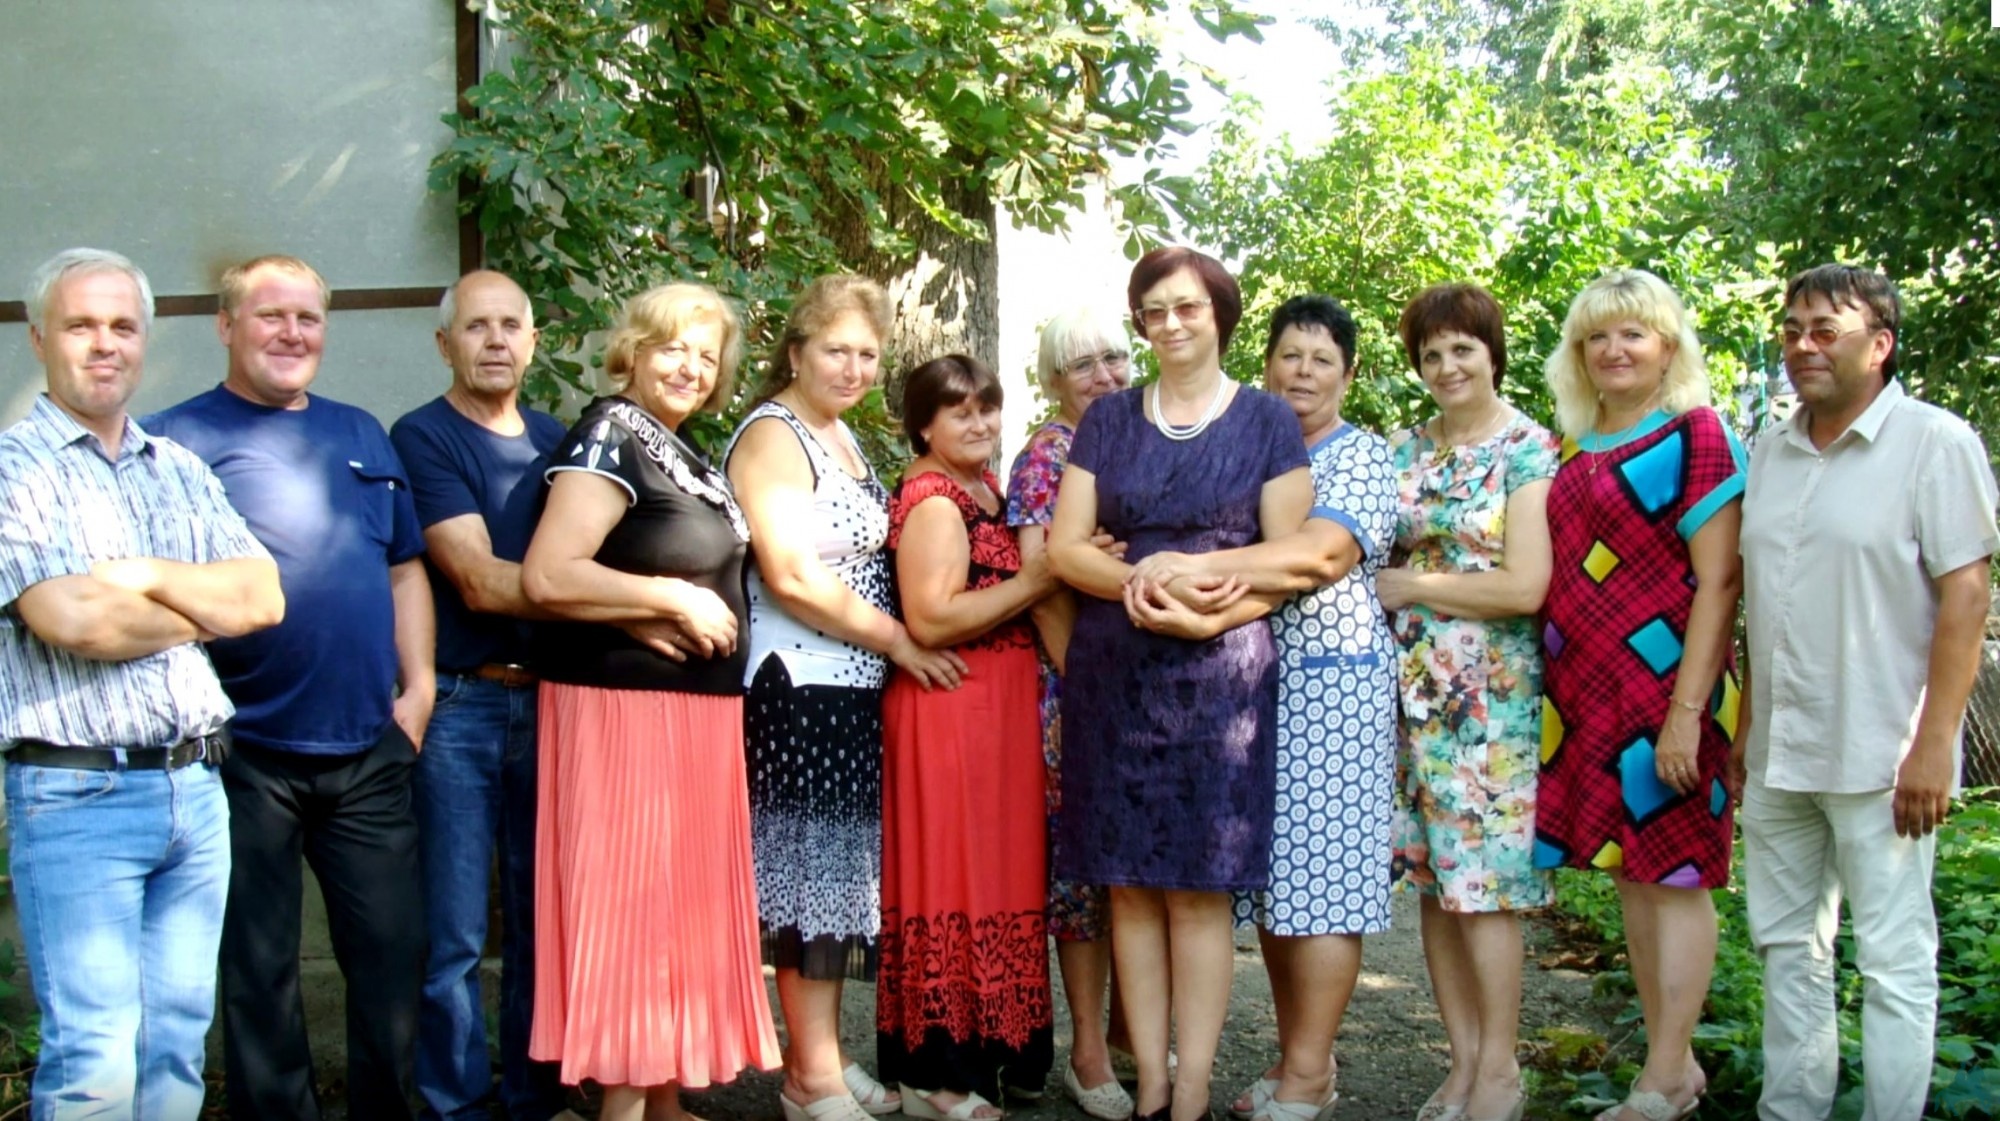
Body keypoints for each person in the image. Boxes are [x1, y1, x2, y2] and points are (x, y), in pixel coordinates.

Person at [146, 254, 434, 1121]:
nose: (291, 332)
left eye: (307, 317)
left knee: (394, 955)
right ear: (225, 325)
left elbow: (405, 567)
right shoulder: (173, 441)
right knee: (259, 968)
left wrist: (419, 687)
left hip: (369, 746)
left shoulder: (362, 432)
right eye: (270, 314)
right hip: (242, 752)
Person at [0, 248, 283, 1120]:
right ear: (40, 337)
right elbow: (74, 619)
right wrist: (201, 608)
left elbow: (262, 597)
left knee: (175, 1050)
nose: (105, 343)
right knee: (94, 1059)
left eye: (122, 326)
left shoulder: (180, 468)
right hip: (76, 794)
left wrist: (144, 575)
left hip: (194, 791)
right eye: (81, 325)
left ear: (145, 341)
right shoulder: (14, 470)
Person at [1047, 246, 1312, 1121]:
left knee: (1199, 889)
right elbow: (1067, 547)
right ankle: (1152, 1085)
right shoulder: (1108, 419)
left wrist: (1202, 606)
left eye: (1187, 306)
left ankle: (1192, 1086)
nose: (1169, 323)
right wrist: (1142, 581)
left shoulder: (1268, 420)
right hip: (1114, 675)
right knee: (1127, 884)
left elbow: (1289, 560)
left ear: (1219, 314)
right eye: (1154, 309)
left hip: (1222, 676)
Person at [1735, 265, 1997, 1121]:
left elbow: (1966, 595)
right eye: (1791, 330)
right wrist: (1746, 727)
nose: (1802, 346)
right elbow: (1763, 596)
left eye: (1825, 330)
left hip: (1882, 752)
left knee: (1894, 962)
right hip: (1779, 751)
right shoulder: (1771, 448)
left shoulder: (1935, 442)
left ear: (1880, 344)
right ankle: (1792, 1110)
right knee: (1787, 947)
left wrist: (1934, 745)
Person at [519, 282, 780, 1121]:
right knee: (635, 919)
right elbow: (549, 573)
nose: (690, 367)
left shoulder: (680, 448)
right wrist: (669, 598)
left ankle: (664, 1104)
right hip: (627, 717)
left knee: (678, 918)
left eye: (706, 356)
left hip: (694, 719)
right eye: (673, 348)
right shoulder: (610, 434)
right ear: (633, 349)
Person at [724, 275, 966, 1121]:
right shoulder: (774, 434)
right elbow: (792, 574)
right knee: (808, 880)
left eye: (868, 353)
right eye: (836, 350)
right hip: (799, 682)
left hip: (847, 687)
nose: (854, 367)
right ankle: (810, 1080)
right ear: (795, 352)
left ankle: (820, 1054)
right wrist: (901, 640)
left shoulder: (839, 434)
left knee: (835, 878)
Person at [1534, 269, 1746, 1121]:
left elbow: (1721, 581)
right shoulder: (1573, 445)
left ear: (1668, 346)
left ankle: (1661, 1077)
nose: (1614, 350)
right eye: (1597, 336)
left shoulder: (1696, 433)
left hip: (1668, 693)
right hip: (1589, 695)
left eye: (1633, 333)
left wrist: (1686, 715)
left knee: (1677, 876)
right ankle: (1673, 1066)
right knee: (1635, 878)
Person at [389, 270, 576, 1121]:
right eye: (476, 326)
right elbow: (475, 578)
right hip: (461, 706)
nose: (495, 340)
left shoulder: (558, 440)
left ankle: (533, 1098)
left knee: (543, 921)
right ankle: (455, 1104)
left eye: (510, 325)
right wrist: (613, 594)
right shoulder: (422, 436)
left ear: (533, 342)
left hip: (554, 704)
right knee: (455, 931)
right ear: (444, 344)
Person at [1378, 283, 1556, 1121]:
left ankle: (1500, 1069)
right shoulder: (1404, 448)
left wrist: (1414, 583)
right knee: (1435, 883)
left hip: (1490, 704)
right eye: (1431, 353)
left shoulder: (1529, 448)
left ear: (1493, 353)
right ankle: (1460, 1063)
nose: (1447, 366)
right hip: (1410, 694)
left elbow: (1525, 586)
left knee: (1484, 888)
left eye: (1462, 349)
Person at [1221, 296, 1399, 1121]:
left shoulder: (1361, 454)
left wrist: (1191, 574)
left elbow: (1319, 555)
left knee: (1324, 878)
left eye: (1322, 359)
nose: (1303, 372)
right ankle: (1300, 1058)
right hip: (1249, 685)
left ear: (1348, 374)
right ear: (1265, 365)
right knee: (1275, 883)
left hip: (1334, 686)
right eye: (1290, 355)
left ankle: (1307, 1072)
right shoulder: (1250, 447)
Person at [879, 355, 1060, 1118]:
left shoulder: (983, 487)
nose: (981, 423)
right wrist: (1035, 581)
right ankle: (936, 1072)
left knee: (999, 877)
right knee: (953, 877)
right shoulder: (934, 500)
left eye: (988, 407)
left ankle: (998, 1049)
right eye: (961, 412)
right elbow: (932, 617)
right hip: (950, 709)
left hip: (996, 714)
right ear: (924, 425)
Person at [1005, 306, 1136, 1121]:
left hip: (1142, 689)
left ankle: (1127, 1035)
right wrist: (1083, 688)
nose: (1104, 376)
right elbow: (1041, 585)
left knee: (1131, 870)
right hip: (1077, 693)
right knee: (1083, 879)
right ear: (1054, 379)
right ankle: (1088, 1049)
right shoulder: (1047, 456)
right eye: (1083, 364)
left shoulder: (1137, 438)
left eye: (1114, 357)